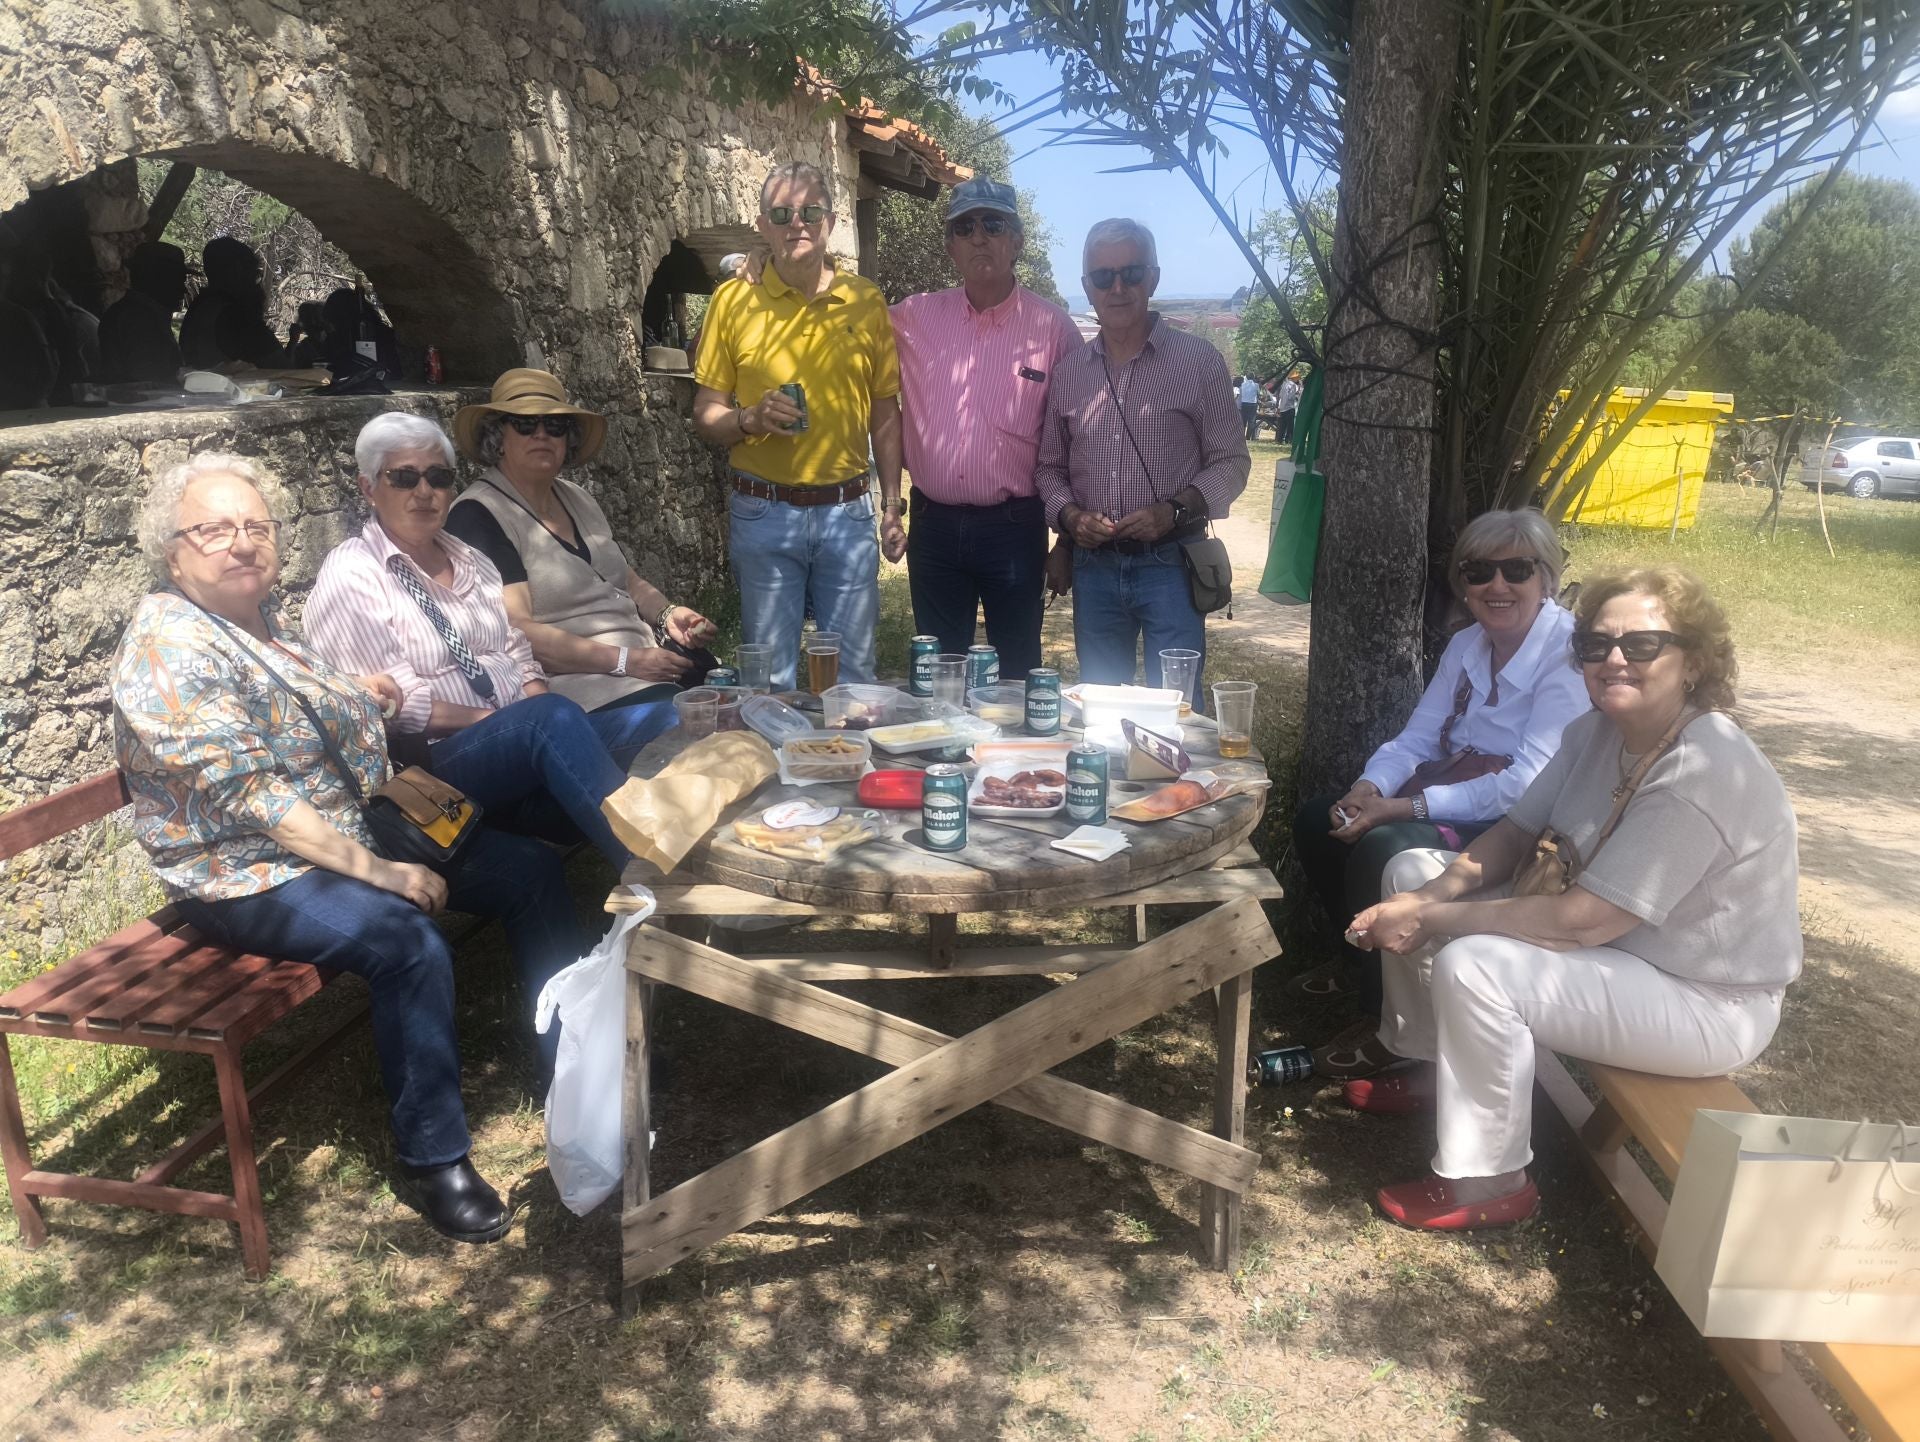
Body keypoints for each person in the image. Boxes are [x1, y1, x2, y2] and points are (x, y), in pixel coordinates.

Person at [112, 453, 587, 1245]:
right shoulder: (169, 651)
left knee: (530, 869)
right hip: (249, 870)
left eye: (255, 526)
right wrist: (384, 872)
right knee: (406, 942)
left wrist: (364, 698)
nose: (241, 543)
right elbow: (260, 803)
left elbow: (305, 713)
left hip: (348, 828)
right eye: (215, 528)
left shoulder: (253, 621)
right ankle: (435, 1160)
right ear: (173, 551)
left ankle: (574, 1059)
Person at [1344, 566, 1799, 1231]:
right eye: (1596, 646)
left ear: (1694, 661)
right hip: (1627, 952)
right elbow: (1514, 832)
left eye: (1642, 645)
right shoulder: (1598, 732)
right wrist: (1428, 893)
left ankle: (1491, 1180)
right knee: (1410, 868)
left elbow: (1582, 921)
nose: (1613, 659)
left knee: (1475, 966)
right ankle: (1430, 1068)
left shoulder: (1704, 768)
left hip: (1706, 998)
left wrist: (1432, 917)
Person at [1290, 510, 1590, 1079]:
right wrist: (1367, 787)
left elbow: (1525, 787)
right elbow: (1418, 737)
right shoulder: (1467, 645)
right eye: (1479, 572)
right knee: (1318, 821)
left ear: (1546, 578)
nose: (1496, 586)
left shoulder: (1568, 657)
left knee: (1386, 844)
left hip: (1525, 825)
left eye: (1516, 570)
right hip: (1456, 794)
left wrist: (1402, 807)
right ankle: (1364, 964)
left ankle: (1394, 1032)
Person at [304, 413, 665, 863]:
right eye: (403, 478)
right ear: (368, 488)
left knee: (669, 717)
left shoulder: (472, 560)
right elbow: (400, 711)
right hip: (435, 765)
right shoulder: (353, 576)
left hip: (522, 736)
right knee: (549, 719)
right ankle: (654, 875)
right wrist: (512, 720)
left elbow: (518, 652)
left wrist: (529, 708)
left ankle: (731, 846)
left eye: (438, 477)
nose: (424, 492)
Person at [690, 161, 903, 691]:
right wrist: (748, 418)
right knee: (770, 683)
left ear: (831, 222)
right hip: (763, 512)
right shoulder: (733, 300)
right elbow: (705, 413)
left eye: (810, 212)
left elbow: (885, 413)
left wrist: (893, 506)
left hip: (847, 514)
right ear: (762, 225)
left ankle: (849, 772)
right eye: (782, 214)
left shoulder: (865, 300)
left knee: (853, 681)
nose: (797, 224)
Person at [1034, 218, 1250, 690]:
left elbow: (1232, 462)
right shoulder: (1069, 373)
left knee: (1175, 712)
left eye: (1131, 273)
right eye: (1102, 277)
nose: (1118, 287)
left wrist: (1174, 510)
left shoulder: (1199, 362)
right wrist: (1070, 519)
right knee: (1102, 706)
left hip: (1171, 563)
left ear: (1152, 278)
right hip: (1095, 569)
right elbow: (1049, 468)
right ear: (1087, 288)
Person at [889, 177, 1084, 682]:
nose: (979, 236)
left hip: (1014, 528)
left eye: (993, 224)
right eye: (965, 226)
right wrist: (757, 267)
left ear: (1016, 241)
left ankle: (1015, 763)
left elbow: (1074, 441)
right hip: (933, 527)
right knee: (937, 674)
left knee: (1018, 670)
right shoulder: (910, 317)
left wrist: (1064, 542)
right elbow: (834, 315)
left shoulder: (1053, 329)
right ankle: (945, 759)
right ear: (951, 246)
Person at [445, 369, 713, 729]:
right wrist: (625, 661)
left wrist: (667, 614)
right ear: (498, 436)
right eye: (524, 424)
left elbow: (622, 578)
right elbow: (515, 632)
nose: (541, 434)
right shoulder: (479, 516)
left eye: (554, 425)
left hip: (647, 664)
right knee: (704, 729)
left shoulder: (576, 497)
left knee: (749, 704)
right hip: (583, 690)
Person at [179, 237, 286, 369]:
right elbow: (280, 365)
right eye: (253, 274)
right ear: (237, 270)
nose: (256, 284)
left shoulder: (199, 308)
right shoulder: (234, 316)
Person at [97, 241, 187, 385]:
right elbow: (150, 380)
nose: (184, 290)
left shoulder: (137, 313)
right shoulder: (138, 319)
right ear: (158, 279)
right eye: (177, 280)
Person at [1275, 371, 1302, 447]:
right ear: (1295, 378)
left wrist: (1279, 407)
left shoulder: (1284, 384)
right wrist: (1297, 395)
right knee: (1290, 426)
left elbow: (1280, 395)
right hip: (1290, 407)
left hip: (1283, 407)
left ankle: (1280, 439)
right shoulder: (1293, 386)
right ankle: (1289, 440)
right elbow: (1291, 397)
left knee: (1282, 425)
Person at [1237, 373, 1261, 440]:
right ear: (1253, 378)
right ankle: (1248, 437)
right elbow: (1259, 393)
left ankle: (1241, 436)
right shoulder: (1256, 385)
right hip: (1252, 404)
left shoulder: (1242, 384)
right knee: (1251, 421)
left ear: (1246, 378)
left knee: (1243, 420)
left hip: (1244, 403)